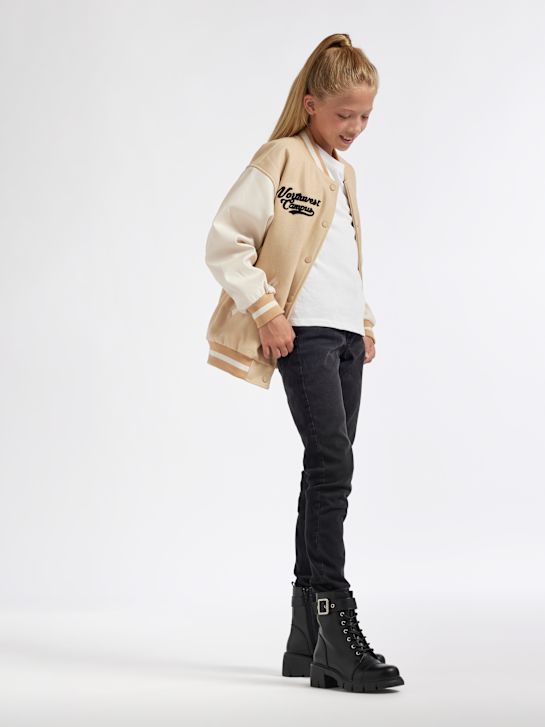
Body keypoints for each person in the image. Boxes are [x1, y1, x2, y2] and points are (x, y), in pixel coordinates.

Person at [204, 33, 405, 693]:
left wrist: (363, 321)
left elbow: (339, 258)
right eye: (344, 114)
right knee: (332, 465)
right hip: (305, 336)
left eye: (365, 116)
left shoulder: (345, 174)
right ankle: (334, 623)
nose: (355, 127)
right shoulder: (282, 157)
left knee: (325, 470)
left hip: (343, 338)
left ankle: (305, 635)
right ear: (311, 103)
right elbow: (226, 240)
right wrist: (265, 310)